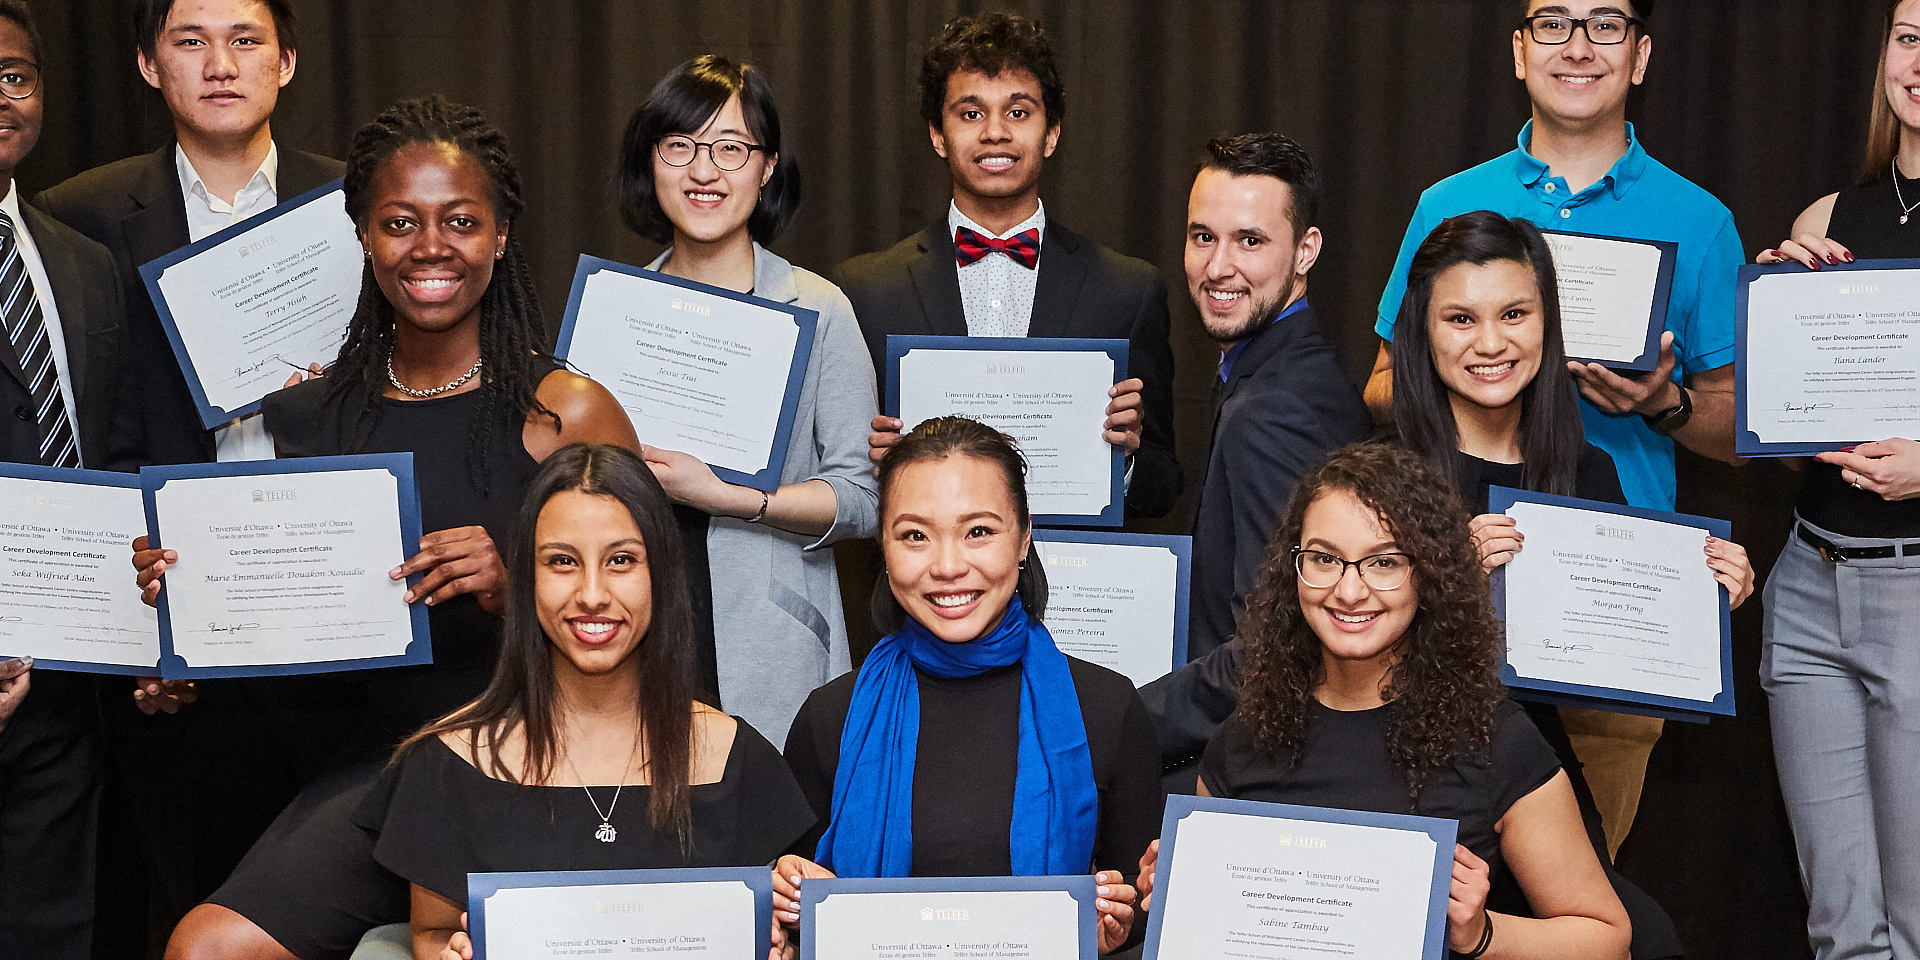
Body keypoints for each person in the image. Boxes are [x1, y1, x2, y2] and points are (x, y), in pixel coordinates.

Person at [153, 95, 640, 960]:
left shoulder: (565, 409)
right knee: (206, 948)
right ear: (364, 239)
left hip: (542, 760)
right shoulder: (309, 419)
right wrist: (189, 619)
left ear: (499, 236)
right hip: (384, 773)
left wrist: (516, 589)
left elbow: (657, 608)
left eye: (460, 221)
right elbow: (291, 628)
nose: (429, 247)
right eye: (399, 222)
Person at [1362, 0, 1743, 848]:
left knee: (1576, 890)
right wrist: (1482, 372)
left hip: (1608, 623)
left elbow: (1740, 431)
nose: (1578, 47)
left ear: (1640, 56)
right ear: (1519, 50)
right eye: (1554, 24)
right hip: (1433, 608)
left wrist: (1662, 404)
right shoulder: (1450, 203)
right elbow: (1383, 384)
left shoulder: (1702, 221)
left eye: (1605, 25)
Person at [32, 0, 346, 932]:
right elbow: (79, 436)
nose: (220, 63)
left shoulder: (360, 202)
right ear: (146, 64)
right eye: (190, 41)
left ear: (286, 61)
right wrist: (136, 634)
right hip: (169, 640)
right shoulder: (78, 215)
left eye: (246, 40)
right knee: (183, 909)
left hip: (331, 609)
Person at [1138, 444, 1632, 960]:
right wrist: (1180, 898)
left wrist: (1480, 934)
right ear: (1294, 569)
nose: (1350, 591)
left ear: (1428, 575)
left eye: (1384, 562)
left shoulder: (1492, 737)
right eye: (1324, 559)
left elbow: (1607, 938)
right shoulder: (1247, 735)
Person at [353, 444, 814, 960]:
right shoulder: (448, 764)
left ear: (659, 575)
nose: (592, 594)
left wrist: (784, 947)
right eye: (562, 562)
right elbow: (432, 934)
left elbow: (765, 932)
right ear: (527, 578)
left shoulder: (736, 757)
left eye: (621, 560)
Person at [774, 417, 1161, 955]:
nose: (948, 565)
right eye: (914, 536)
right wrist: (784, 900)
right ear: (883, 549)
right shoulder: (829, 717)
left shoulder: (1107, 708)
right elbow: (789, 919)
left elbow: (1144, 908)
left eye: (978, 531)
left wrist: (1111, 934)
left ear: (1024, 537)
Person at [615, 55, 878, 743]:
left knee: (777, 843)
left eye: (731, 148)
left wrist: (730, 497)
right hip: (636, 625)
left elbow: (862, 498)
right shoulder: (614, 313)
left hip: (774, 636)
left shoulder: (821, 310)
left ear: (766, 167)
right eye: (681, 147)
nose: (705, 172)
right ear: (652, 161)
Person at [835, 11, 1181, 522]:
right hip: (927, 585)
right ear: (937, 134)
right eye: (971, 114)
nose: (995, 133)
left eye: (1018, 112)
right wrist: (876, 464)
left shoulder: (1127, 290)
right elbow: (840, 480)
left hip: (1074, 590)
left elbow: (1165, 486)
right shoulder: (865, 291)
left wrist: (1125, 460)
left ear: (1052, 133)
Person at [1753, 2, 1920, 955]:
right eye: (1907, 36)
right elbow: (1780, 416)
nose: (1919, 60)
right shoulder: (1830, 216)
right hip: (1809, 583)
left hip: (1914, 588)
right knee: (1841, 926)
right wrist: (1782, 297)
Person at [0, 4, 129, 956]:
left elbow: (110, 454)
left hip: (67, 687)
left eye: (15, 75)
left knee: (52, 930)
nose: (0, 98)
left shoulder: (80, 263)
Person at [1180, 133, 1370, 661]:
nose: (1218, 267)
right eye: (1202, 237)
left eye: (1249, 241)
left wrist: (1129, 717)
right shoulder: (1269, 372)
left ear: (1305, 251)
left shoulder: (1275, 411)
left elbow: (1273, 645)